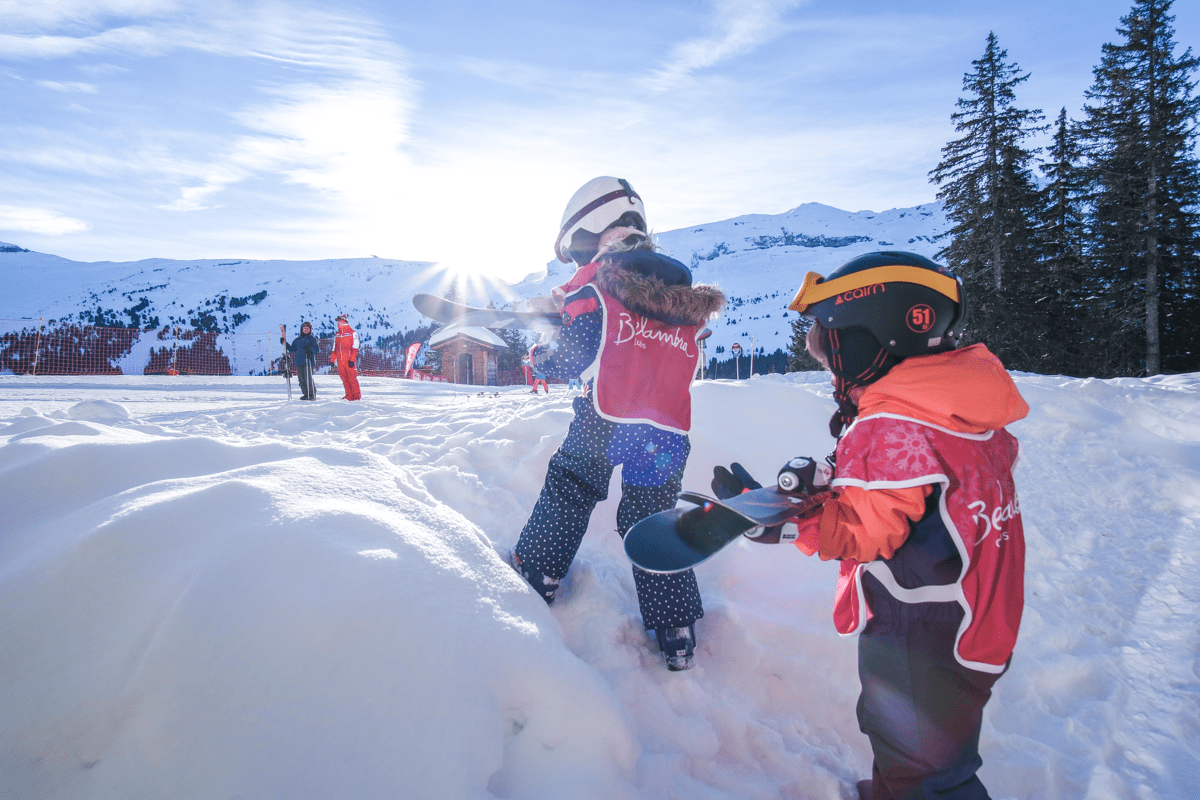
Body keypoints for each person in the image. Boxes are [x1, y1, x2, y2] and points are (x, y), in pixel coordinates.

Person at [714, 252, 1028, 798]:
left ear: (876, 335)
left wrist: (795, 520)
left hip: (921, 626)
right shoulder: (959, 405)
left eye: (830, 342)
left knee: (928, 769)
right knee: (920, 742)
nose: (828, 359)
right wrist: (838, 481)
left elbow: (864, 534)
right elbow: (930, 488)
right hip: (976, 614)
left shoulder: (890, 423)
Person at [509, 176, 725, 671]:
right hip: (667, 432)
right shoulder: (682, 293)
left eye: (581, 248)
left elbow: (576, 352)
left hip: (603, 418)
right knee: (652, 521)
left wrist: (541, 357)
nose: (581, 260)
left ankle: (539, 570)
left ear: (593, 231)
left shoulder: (598, 280)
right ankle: (675, 627)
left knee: (572, 486)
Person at [281, 321, 320, 400]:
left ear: (310, 330)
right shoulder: (297, 340)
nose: (306, 330)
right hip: (299, 362)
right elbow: (292, 349)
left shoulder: (312, 339)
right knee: (301, 379)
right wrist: (285, 343)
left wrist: (310, 349)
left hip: (308, 361)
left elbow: (316, 350)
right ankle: (306, 394)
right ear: (301, 330)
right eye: (304, 329)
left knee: (308, 378)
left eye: (307, 329)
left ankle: (311, 394)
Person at [330, 313, 361, 401]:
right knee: (344, 379)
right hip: (340, 361)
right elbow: (334, 348)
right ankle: (348, 396)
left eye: (339, 322)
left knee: (352, 379)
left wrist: (352, 359)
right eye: (337, 322)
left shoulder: (352, 333)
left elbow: (355, 347)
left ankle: (356, 396)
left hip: (348, 360)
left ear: (343, 321)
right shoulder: (338, 334)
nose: (337, 324)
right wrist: (332, 360)